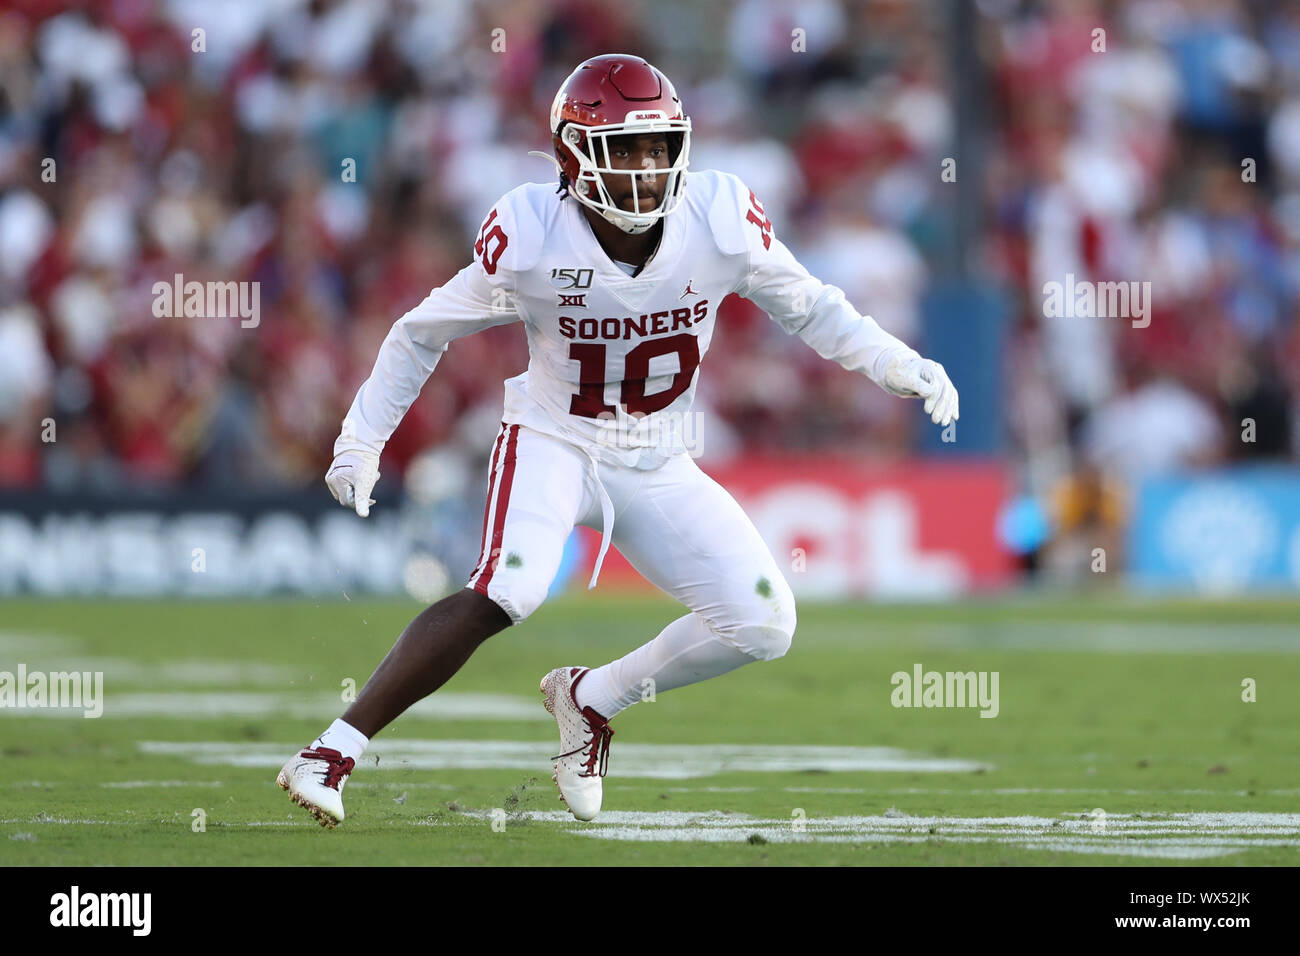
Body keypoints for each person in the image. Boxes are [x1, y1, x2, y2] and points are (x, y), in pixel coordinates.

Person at [277, 54, 958, 827]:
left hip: (658, 456)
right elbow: (421, 331)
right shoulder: (534, 236)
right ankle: (331, 750)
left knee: (765, 622)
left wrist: (899, 362)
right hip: (553, 437)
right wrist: (361, 439)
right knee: (511, 588)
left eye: (658, 146)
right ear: (572, 154)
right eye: (625, 148)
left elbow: (811, 307)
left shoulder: (719, 219)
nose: (645, 167)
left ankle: (590, 698)